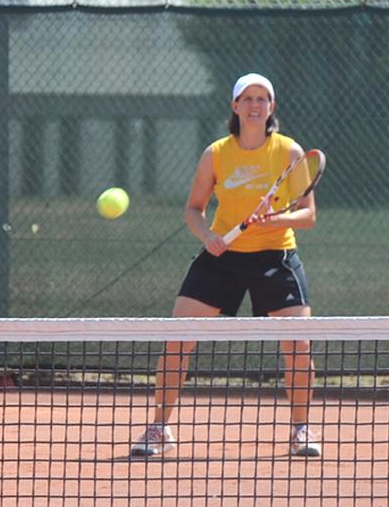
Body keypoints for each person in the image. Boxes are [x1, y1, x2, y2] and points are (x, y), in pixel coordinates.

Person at [131, 73, 321, 457]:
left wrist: (275, 220)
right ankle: (159, 427)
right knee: (176, 341)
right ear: (235, 106)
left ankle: (301, 429)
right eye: (248, 99)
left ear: (272, 107)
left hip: (275, 258)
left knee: (298, 346)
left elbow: (307, 215)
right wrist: (207, 238)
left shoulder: (289, 152)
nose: (255, 105)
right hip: (221, 259)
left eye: (262, 99)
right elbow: (193, 210)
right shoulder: (216, 153)